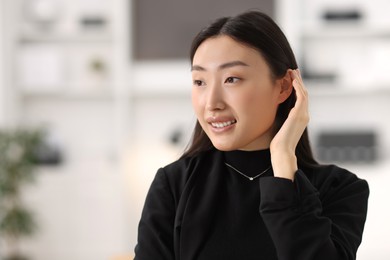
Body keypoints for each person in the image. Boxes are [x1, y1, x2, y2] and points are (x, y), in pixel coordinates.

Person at [134, 10, 369, 260]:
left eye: (232, 79)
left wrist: (283, 162)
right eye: (200, 81)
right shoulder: (173, 185)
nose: (211, 103)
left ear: (283, 87)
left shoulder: (340, 188)